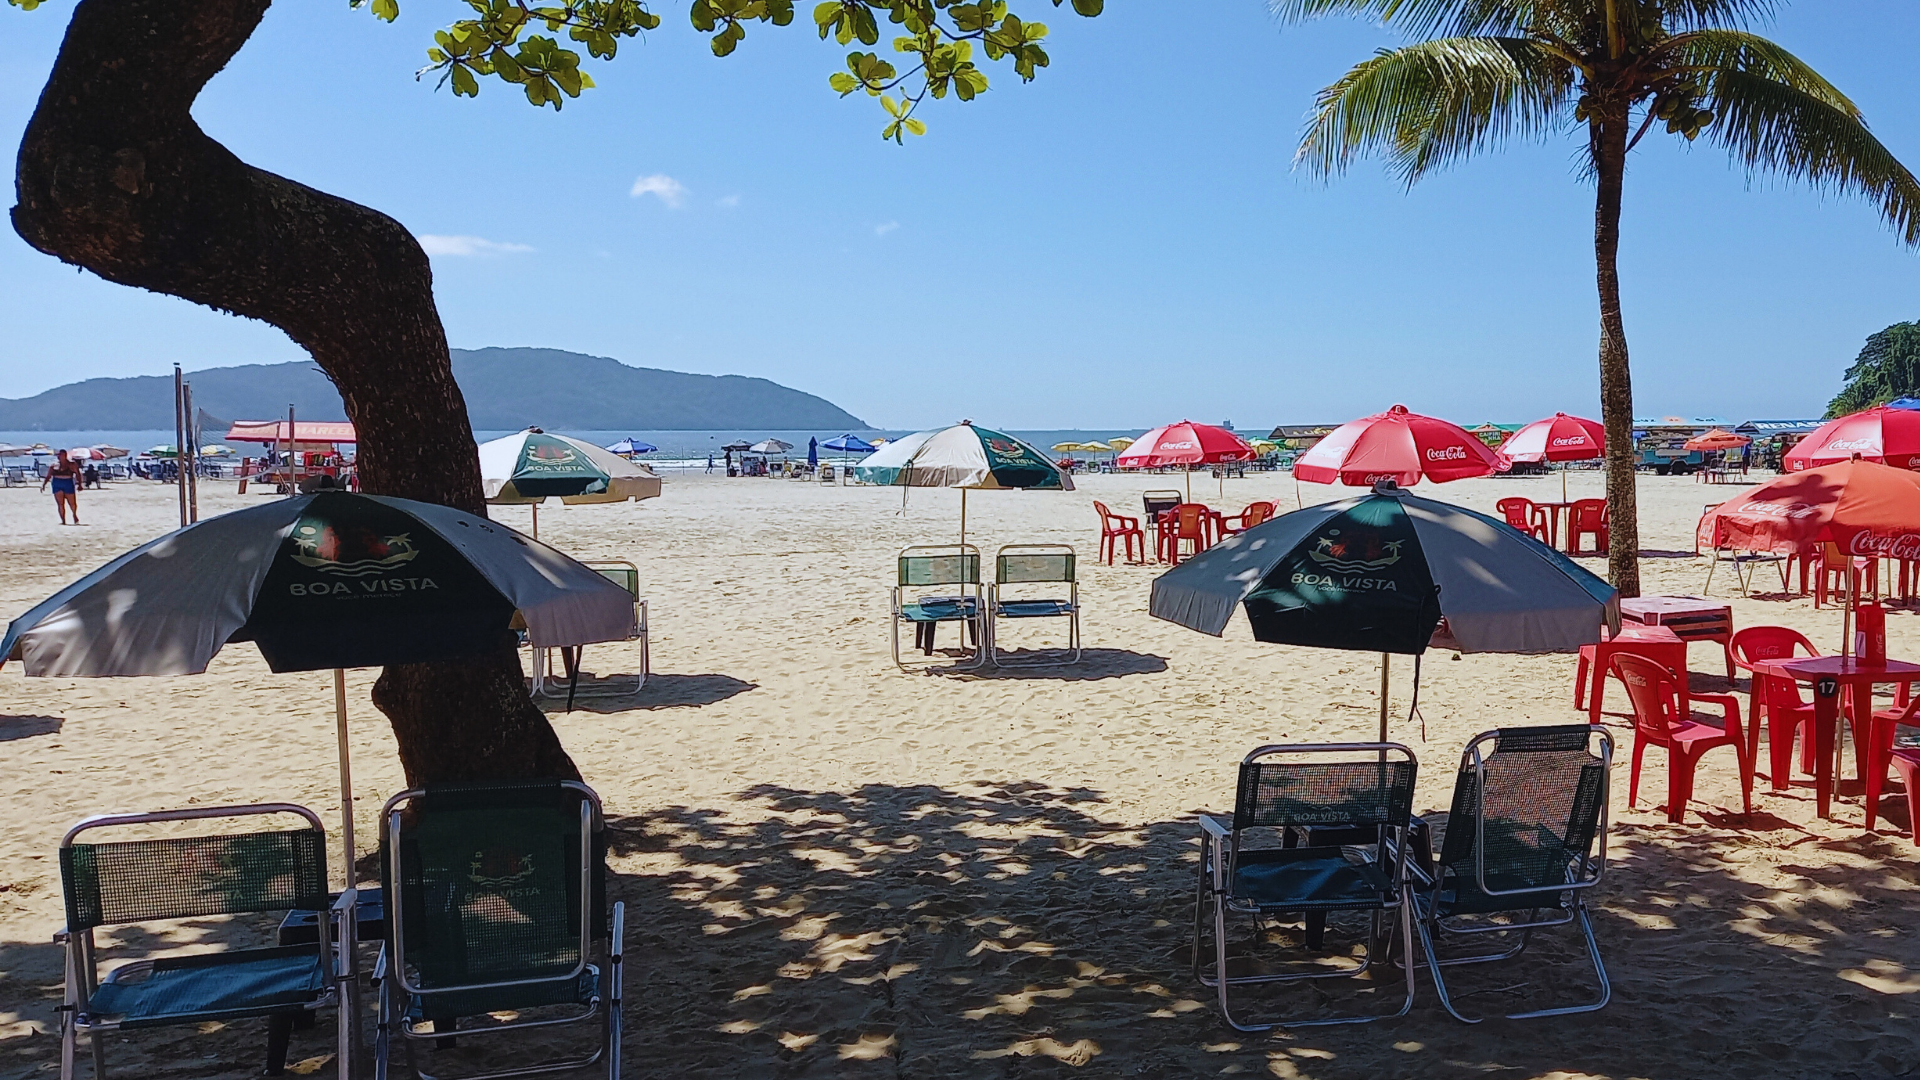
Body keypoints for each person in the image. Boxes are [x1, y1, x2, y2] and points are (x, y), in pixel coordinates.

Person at [40, 449, 81, 524]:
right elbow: (48, 476)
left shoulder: (71, 464)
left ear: (65, 455)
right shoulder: (54, 465)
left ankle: (74, 515)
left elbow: (78, 474)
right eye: (58, 455)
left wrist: (80, 484)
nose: (59, 456)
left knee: (72, 503)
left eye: (61, 455)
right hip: (57, 483)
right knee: (60, 504)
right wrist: (44, 485)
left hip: (68, 482)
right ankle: (63, 520)